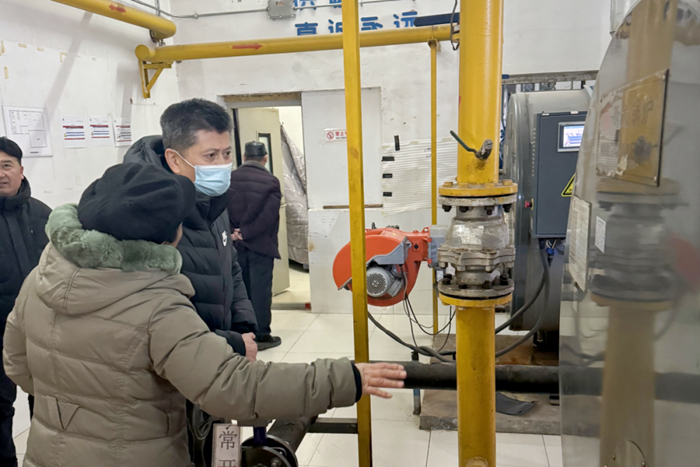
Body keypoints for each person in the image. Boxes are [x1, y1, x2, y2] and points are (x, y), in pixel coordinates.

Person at [2, 162, 406, 467]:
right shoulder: (156, 305)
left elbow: (17, 365)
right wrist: (345, 377)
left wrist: (83, 403)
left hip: (46, 453)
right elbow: (235, 390)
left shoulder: (42, 276)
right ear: (169, 238)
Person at [123, 99, 255, 465]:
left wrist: (243, 327)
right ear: (175, 159)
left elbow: (230, 268)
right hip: (172, 376)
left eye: (227, 154)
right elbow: (149, 310)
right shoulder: (150, 214)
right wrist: (228, 342)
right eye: (210, 156)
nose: (222, 165)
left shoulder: (213, 201)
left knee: (217, 448)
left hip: (216, 361)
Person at [0, 137, 50, 467]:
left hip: (42, 333)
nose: (0, 174)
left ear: (21, 169)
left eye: (6, 165)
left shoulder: (43, 215)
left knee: (48, 407)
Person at [228, 141, 283, 351]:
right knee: (260, 291)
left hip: (234, 245)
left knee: (239, 290)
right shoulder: (271, 181)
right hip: (261, 246)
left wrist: (234, 232)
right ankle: (261, 335)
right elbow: (268, 216)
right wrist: (247, 232)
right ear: (265, 158)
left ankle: (243, 333)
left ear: (244, 157)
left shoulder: (229, 179)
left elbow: (221, 208)